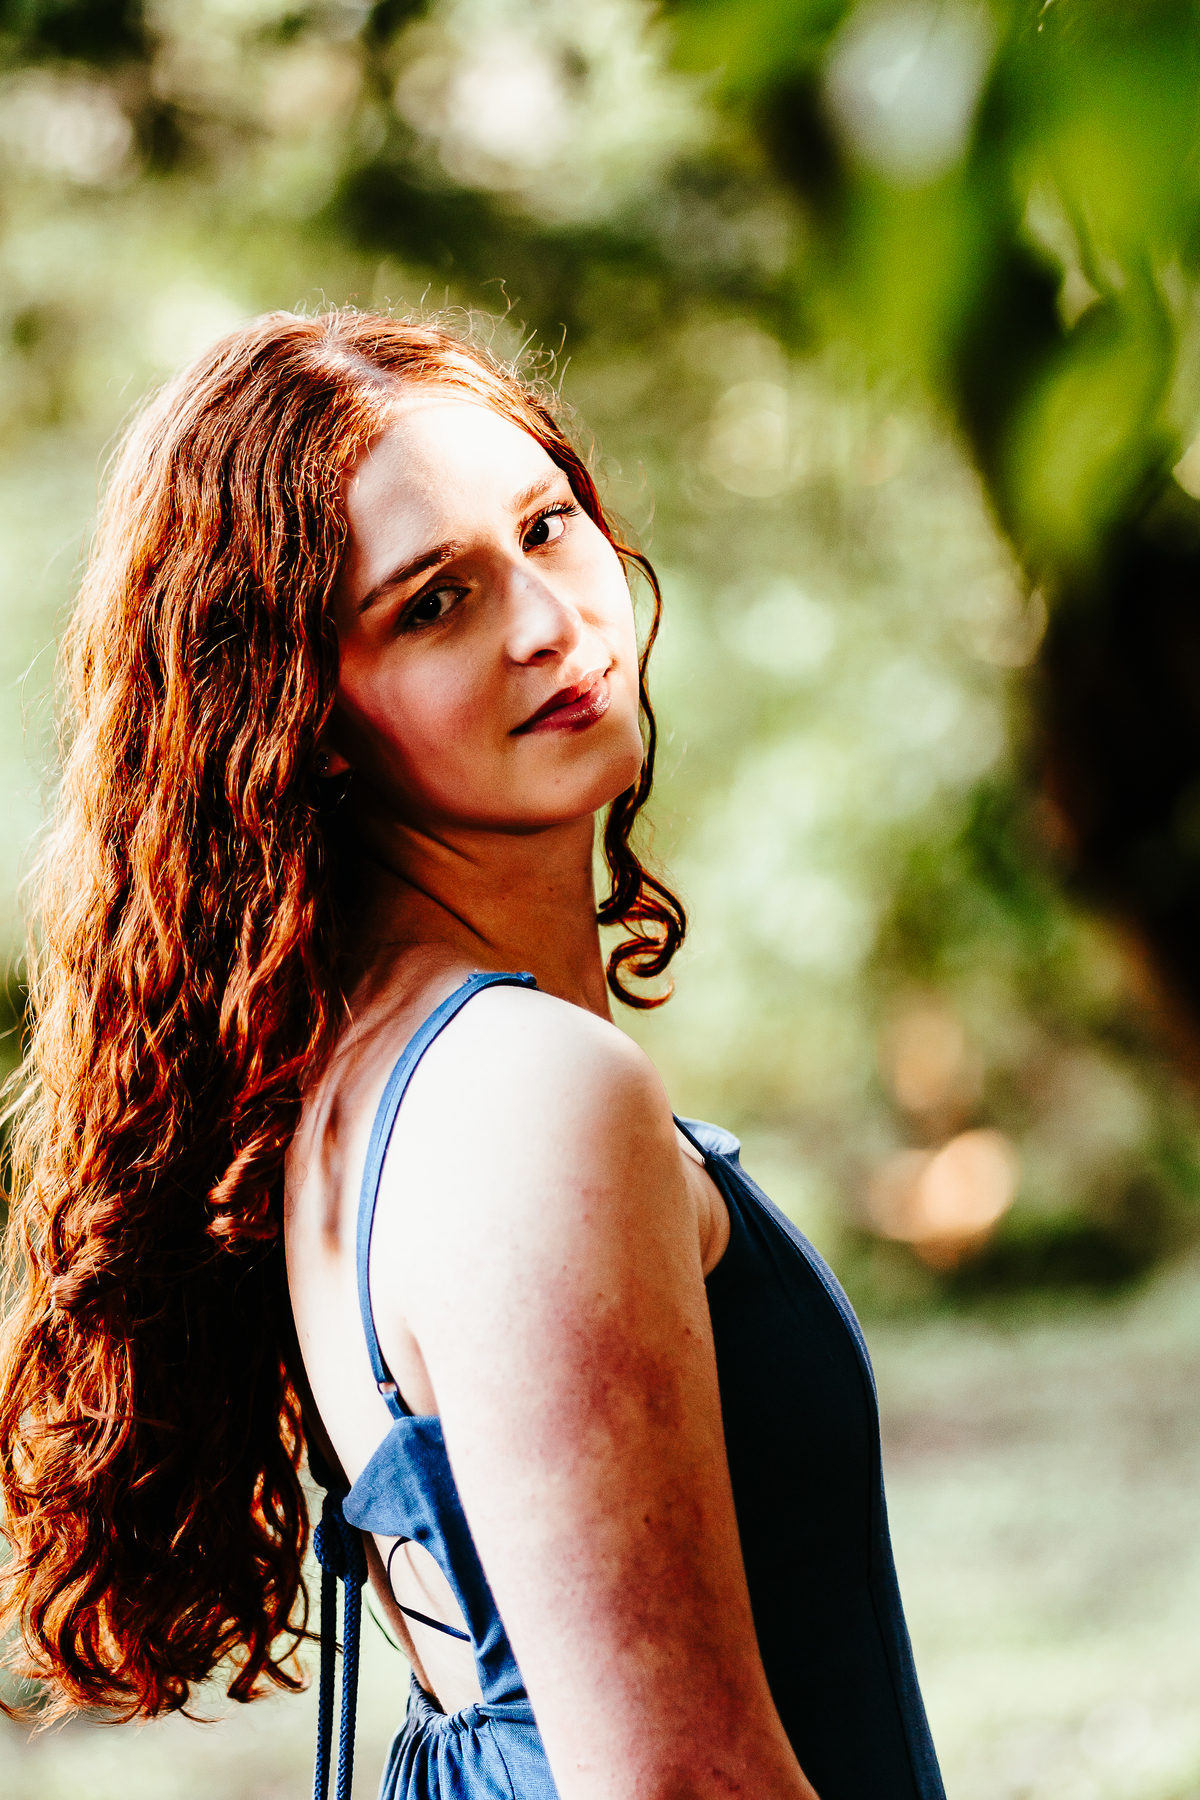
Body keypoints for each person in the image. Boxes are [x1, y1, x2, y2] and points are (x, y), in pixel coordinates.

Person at [0, 310, 945, 1800]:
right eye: (433, 602)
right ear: (303, 715)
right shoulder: (524, 1097)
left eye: (547, 527)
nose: (550, 621)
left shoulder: (356, 1074)